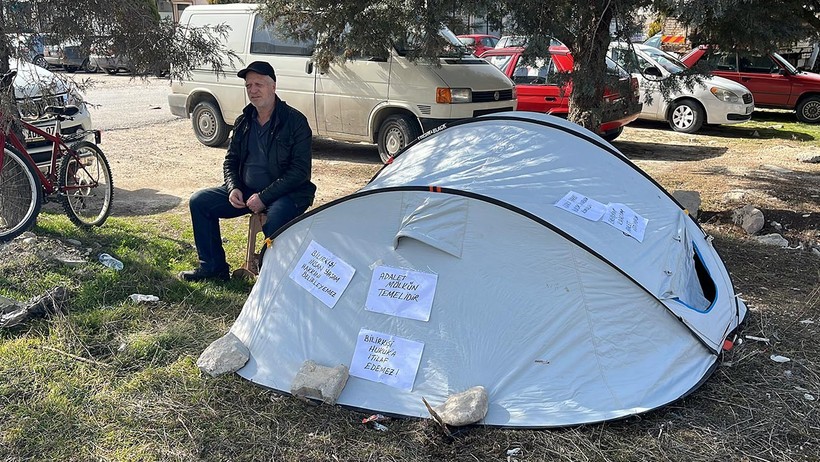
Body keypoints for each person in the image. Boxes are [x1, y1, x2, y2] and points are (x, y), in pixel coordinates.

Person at [179, 61, 316, 281]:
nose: (253, 90)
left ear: (273, 86)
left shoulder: (295, 122)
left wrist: (264, 197)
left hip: (287, 193)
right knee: (200, 201)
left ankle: (274, 277)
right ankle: (213, 268)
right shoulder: (243, 122)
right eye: (249, 85)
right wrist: (233, 187)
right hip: (247, 190)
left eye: (259, 84)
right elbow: (230, 161)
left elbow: (300, 172)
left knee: (277, 219)